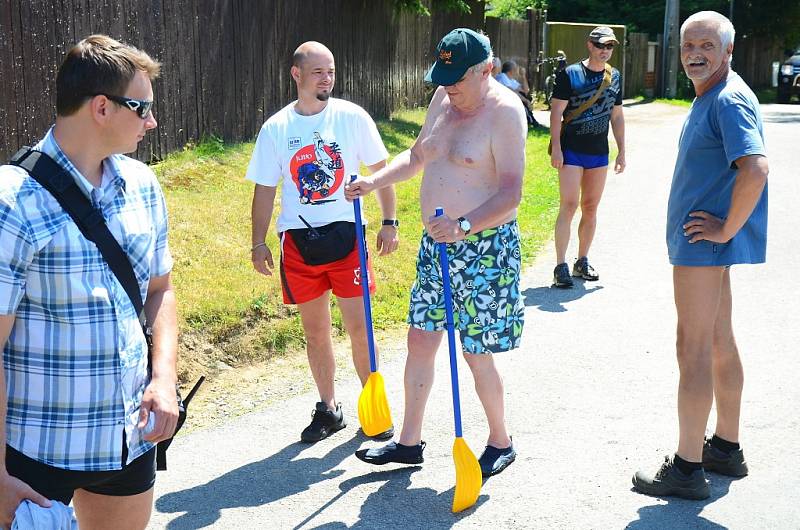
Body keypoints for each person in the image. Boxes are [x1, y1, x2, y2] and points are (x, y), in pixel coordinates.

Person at [0, 35, 178, 529]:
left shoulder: (143, 185)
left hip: (128, 439)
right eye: (142, 108)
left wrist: (163, 379)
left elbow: (160, 288)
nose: (152, 121)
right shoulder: (12, 200)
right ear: (102, 107)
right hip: (37, 449)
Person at [346, 28, 525, 477]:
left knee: (474, 350)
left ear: (486, 69)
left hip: (484, 249)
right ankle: (408, 444)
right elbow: (418, 155)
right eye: (442, 78)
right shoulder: (443, 100)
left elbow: (511, 194)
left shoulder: (505, 114)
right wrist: (375, 181)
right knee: (420, 338)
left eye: (457, 79)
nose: (448, 88)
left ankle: (500, 441)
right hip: (436, 246)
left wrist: (463, 225)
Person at [632, 11, 768, 500]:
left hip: (700, 246)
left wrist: (727, 227)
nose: (695, 53)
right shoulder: (716, 94)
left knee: (691, 350)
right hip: (705, 246)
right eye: (689, 44)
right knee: (716, 341)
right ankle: (725, 448)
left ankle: (688, 468)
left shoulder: (727, 99)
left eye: (707, 45)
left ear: (728, 51)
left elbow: (754, 168)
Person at [247, 41, 399, 444]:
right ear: (296, 74)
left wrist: (389, 222)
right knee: (315, 333)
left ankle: (375, 410)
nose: (327, 78)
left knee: (359, 329)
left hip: (346, 235)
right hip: (298, 243)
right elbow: (264, 190)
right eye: (318, 72)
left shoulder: (351, 117)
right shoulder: (276, 128)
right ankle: (329, 408)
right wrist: (257, 242)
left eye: (330, 71)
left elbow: (381, 171)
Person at [549, 26, 626, 288]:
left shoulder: (614, 77)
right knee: (569, 205)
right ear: (590, 45)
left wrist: (622, 151)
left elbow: (616, 115)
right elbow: (556, 114)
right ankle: (560, 265)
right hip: (571, 150)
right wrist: (557, 149)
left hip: (598, 153)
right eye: (601, 45)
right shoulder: (570, 74)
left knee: (590, 207)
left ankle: (582, 260)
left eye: (610, 46)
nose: (605, 51)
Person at [496, 60, 541, 128]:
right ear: (511, 70)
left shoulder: (512, 80)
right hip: (507, 100)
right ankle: (531, 120)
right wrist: (525, 100)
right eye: (516, 68)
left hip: (515, 99)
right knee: (523, 98)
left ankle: (531, 120)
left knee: (525, 96)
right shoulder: (503, 77)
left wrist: (523, 76)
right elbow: (511, 91)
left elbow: (526, 90)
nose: (518, 70)